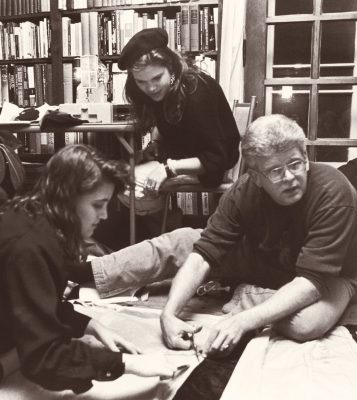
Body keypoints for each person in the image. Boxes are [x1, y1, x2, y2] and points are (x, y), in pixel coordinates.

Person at [87, 115, 357, 358]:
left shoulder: (334, 191)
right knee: (183, 240)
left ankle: (247, 296)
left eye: (296, 164)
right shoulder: (244, 190)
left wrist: (242, 321)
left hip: (329, 276)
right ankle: (86, 272)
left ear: (306, 158)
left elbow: (311, 282)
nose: (289, 177)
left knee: (305, 324)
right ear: (256, 177)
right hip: (265, 257)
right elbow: (204, 254)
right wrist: (168, 315)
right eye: (275, 171)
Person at [0, 144, 179, 394]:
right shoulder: (30, 246)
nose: (104, 215)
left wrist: (93, 325)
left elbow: (34, 301)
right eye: (97, 205)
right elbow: (44, 359)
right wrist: (129, 364)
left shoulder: (39, 219)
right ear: (67, 197)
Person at [117, 27, 239, 194]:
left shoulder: (197, 94)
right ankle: (166, 217)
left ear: (171, 68)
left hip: (215, 166)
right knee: (120, 174)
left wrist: (168, 169)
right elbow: (168, 122)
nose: (150, 88)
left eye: (157, 78)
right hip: (184, 154)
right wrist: (157, 144)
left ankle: (160, 219)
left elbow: (217, 159)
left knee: (130, 187)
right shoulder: (159, 88)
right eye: (141, 82)